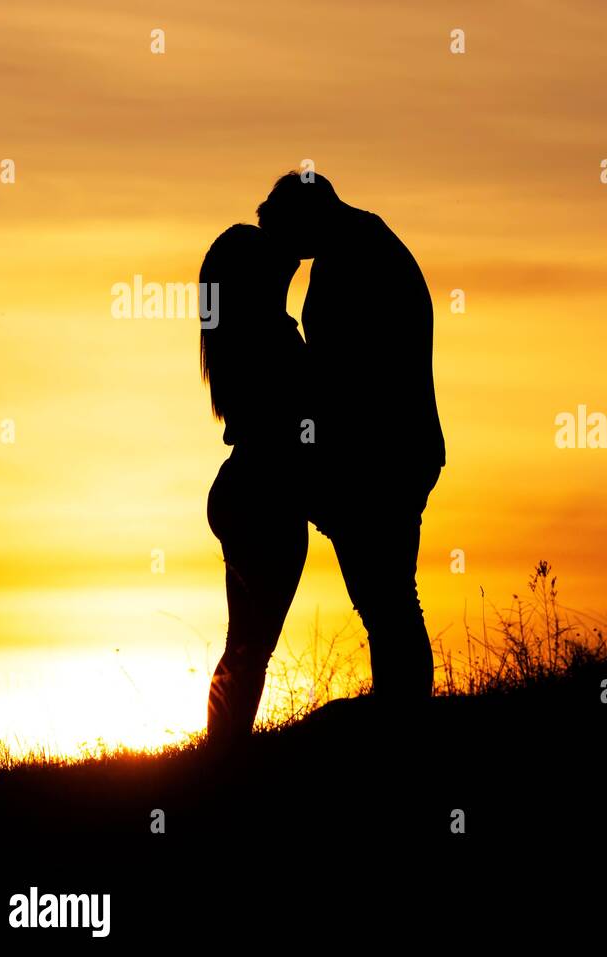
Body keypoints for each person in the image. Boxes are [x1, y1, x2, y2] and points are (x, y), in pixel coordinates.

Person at [256, 172, 446, 701]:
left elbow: (342, 373)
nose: (289, 257)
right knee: (386, 598)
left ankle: (402, 714)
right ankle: (401, 710)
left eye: (289, 238)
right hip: (392, 448)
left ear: (305, 217)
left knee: (386, 599)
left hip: (381, 455)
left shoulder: (353, 257)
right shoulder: (361, 244)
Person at [199, 224, 311, 750]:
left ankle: (222, 751)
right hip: (265, 496)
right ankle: (225, 753)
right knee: (252, 644)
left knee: (243, 642)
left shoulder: (234, 340)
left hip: (241, 490)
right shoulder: (270, 337)